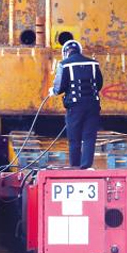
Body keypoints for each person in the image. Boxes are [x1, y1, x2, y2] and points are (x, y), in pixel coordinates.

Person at [49, 40, 104, 169]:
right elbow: (99, 84)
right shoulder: (93, 63)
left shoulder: (64, 64)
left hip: (75, 107)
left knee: (74, 137)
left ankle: (75, 166)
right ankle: (86, 166)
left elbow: (59, 87)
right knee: (89, 136)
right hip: (93, 105)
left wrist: (53, 91)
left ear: (66, 52)